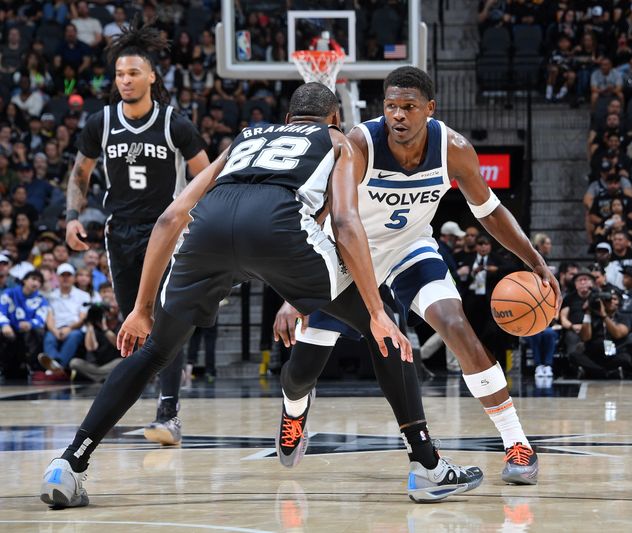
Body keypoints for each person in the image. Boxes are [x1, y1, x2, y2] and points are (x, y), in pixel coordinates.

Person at [40, 82, 479, 509]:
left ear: (287, 119)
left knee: (155, 351)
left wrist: (141, 308)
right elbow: (345, 223)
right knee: (386, 334)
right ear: (335, 119)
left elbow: (171, 217)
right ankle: (428, 467)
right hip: (280, 232)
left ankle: (69, 461)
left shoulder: (245, 138)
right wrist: (376, 311)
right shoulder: (339, 141)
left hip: (209, 232)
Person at [272, 68, 559, 487]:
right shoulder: (359, 144)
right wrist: (294, 292)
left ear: (430, 109)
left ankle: (517, 443)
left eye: (408, 107)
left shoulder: (454, 149)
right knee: (302, 371)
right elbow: (320, 213)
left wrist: (534, 261)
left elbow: (490, 212)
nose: (398, 116)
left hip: (410, 248)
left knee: (457, 326)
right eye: (391, 107)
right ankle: (294, 413)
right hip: (349, 258)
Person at [63, 22, 209, 445]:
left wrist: (202, 223)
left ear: (151, 77)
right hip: (119, 233)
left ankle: (169, 414)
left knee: (163, 321)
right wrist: (73, 215)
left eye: (132, 73)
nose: (125, 80)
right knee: (134, 325)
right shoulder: (101, 123)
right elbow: (80, 173)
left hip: (165, 233)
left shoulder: (174, 124)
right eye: (119, 75)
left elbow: (208, 176)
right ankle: (124, 408)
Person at [37, 263, 90, 376]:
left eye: (68, 275)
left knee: (73, 336)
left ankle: (57, 365)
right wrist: (55, 330)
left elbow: (82, 318)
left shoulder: (83, 295)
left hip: (75, 328)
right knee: (49, 337)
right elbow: (49, 317)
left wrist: (69, 328)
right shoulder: (51, 296)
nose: (65, 278)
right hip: (56, 328)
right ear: (58, 277)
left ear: (73, 277)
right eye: (62, 275)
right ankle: (56, 366)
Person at [0, 270, 49, 379]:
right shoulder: (10, 293)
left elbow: (41, 319)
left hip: (27, 332)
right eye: (33, 279)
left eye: (39, 281)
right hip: (10, 329)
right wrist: (4, 324)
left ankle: (31, 366)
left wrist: (30, 324)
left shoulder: (41, 300)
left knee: (37, 331)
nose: (36, 283)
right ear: (24, 280)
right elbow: (1, 311)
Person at [574, 289, 631, 378]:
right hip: (593, 355)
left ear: (619, 302)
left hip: (613, 355)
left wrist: (604, 316)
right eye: (608, 300)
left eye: (615, 299)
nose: (611, 302)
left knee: (626, 358)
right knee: (574, 356)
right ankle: (605, 372)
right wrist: (588, 313)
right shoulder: (593, 317)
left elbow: (617, 333)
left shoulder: (623, 318)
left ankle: (595, 371)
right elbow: (585, 338)